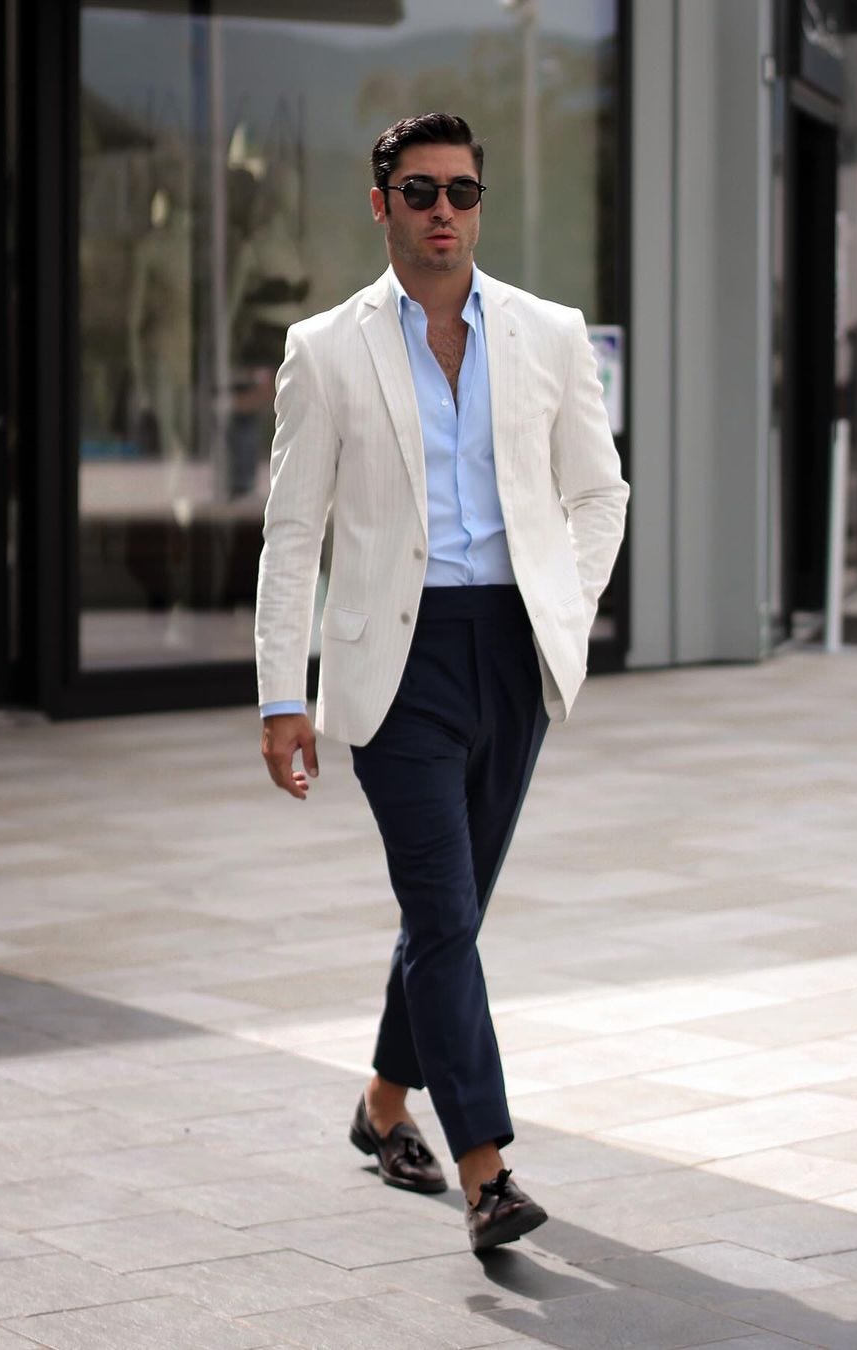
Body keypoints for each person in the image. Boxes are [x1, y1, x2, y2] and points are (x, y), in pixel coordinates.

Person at [254, 112, 628, 1253]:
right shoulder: (326, 350)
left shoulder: (549, 334)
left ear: (480, 204)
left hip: (509, 650)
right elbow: (291, 532)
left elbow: (600, 493)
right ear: (381, 206)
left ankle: (382, 1108)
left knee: (446, 915)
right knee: (445, 913)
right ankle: (488, 1171)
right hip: (392, 667)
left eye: (461, 192)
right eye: (418, 192)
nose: (443, 212)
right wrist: (281, 697)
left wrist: (564, 604)